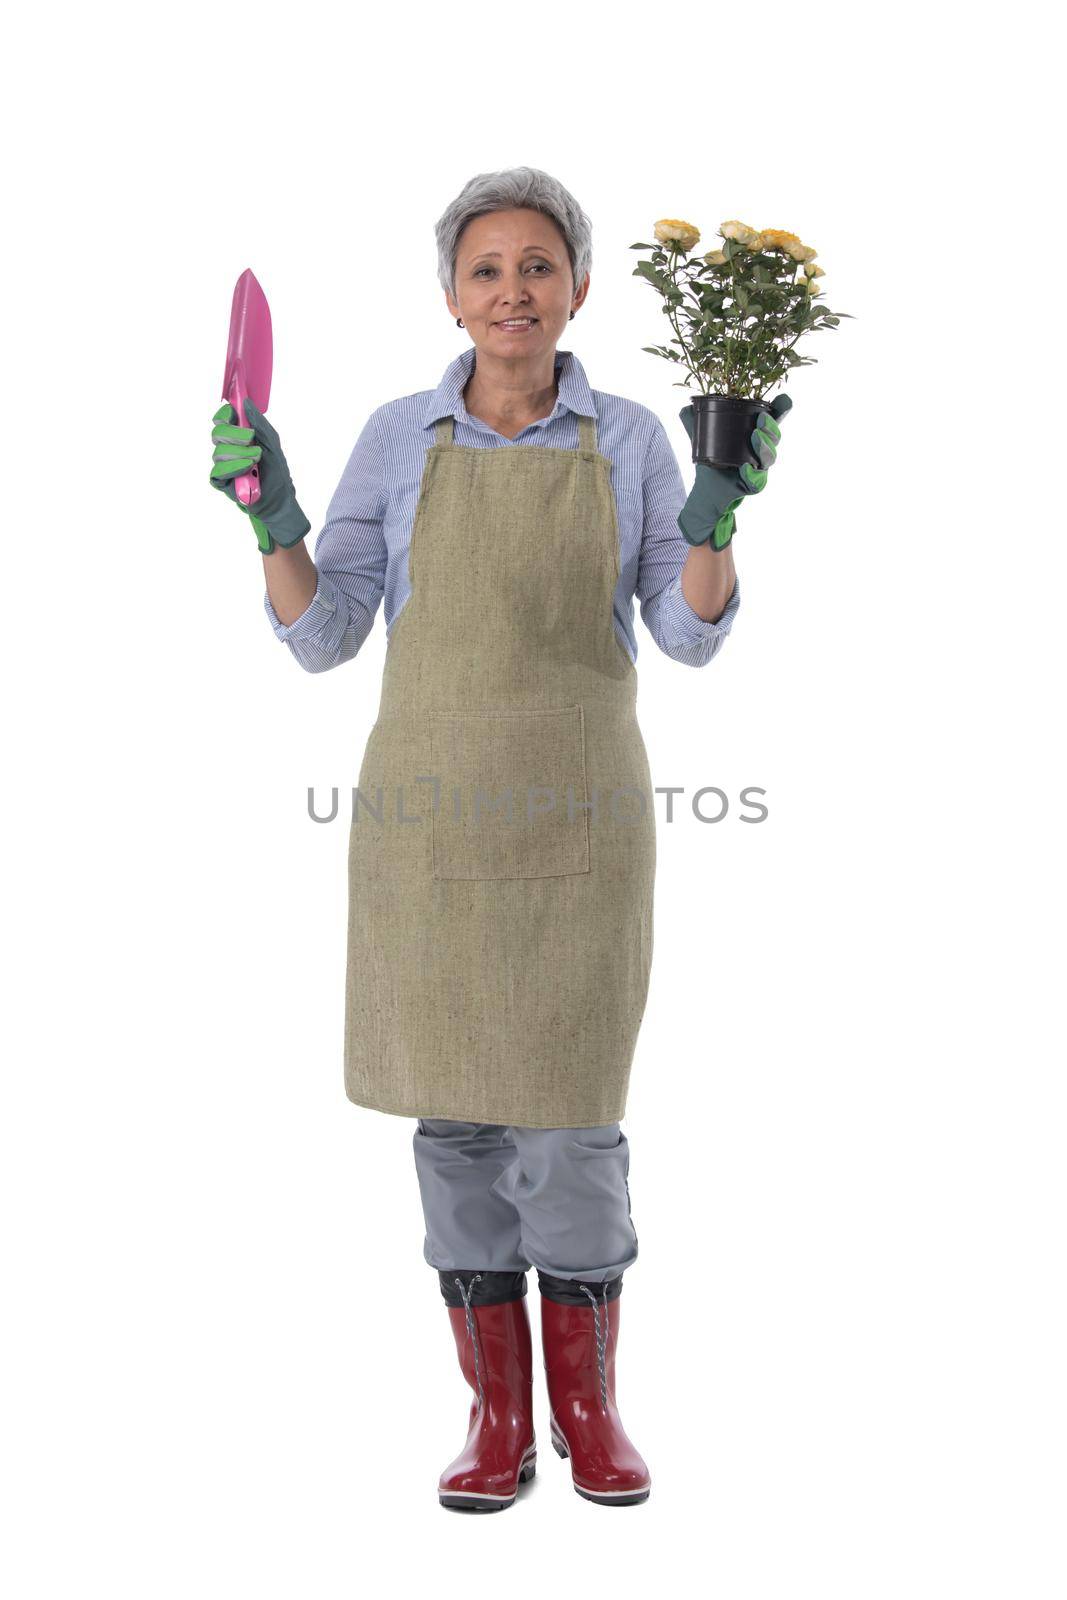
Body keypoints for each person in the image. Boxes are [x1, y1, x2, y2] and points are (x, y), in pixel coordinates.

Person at [209, 166, 789, 1513]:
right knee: (457, 1128)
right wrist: (271, 523)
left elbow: (691, 634)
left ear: (578, 288)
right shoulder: (398, 434)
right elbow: (321, 633)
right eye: (487, 269)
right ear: (451, 295)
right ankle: (495, 1413)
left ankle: (589, 1409)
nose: (513, 290)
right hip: (428, 827)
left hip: (583, 821)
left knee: (574, 1129)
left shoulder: (636, 436)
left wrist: (718, 518)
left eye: (539, 265)